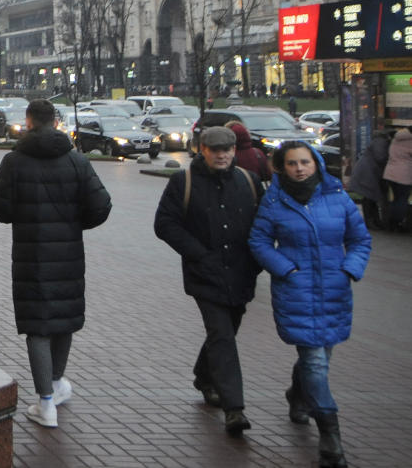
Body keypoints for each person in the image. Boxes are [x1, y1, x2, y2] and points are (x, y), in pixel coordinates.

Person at [0, 98, 112, 429]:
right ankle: (56, 384)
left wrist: (27, 217)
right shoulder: (76, 161)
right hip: (69, 254)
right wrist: (72, 226)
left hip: (31, 257)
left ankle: (46, 402)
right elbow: (101, 206)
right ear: (55, 122)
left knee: (37, 327)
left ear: (28, 121)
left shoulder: (14, 162)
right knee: (63, 319)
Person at [249, 142, 372, 468]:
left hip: (334, 289)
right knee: (315, 360)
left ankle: (297, 394)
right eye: (292, 163)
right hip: (296, 290)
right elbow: (259, 241)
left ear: (316, 164)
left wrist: (351, 268)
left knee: (321, 357)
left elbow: (360, 239)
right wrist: (284, 267)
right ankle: (331, 439)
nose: (299, 168)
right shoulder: (274, 201)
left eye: (305, 162)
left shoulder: (337, 198)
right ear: (282, 167)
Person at [153, 125, 263, 436]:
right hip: (206, 275)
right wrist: (198, 254)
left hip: (241, 273)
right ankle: (234, 408)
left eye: (227, 150)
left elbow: (265, 224)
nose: (222, 155)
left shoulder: (249, 182)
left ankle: (204, 376)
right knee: (222, 335)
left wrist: (257, 261)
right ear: (203, 150)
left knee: (226, 331)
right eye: (215, 150)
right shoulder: (184, 181)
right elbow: (165, 223)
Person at [350, 127, 391, 229]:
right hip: (368, 173)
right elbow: (380, 157)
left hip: (367, 172)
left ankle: (374, 221)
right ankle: (371, 222)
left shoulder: (378, 141)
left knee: (370, 197)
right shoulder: (381, 142)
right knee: (369, 197)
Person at [383, 126, 412, 231]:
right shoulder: (410, 141)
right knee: (402, 199)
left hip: (390, 173)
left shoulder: (396, 138)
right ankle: (397, 222)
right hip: (403, 175)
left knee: (395, 198)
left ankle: (390, 223)